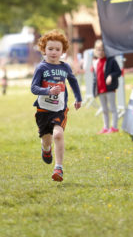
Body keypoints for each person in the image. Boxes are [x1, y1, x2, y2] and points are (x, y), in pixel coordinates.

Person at [31, 29, 82, 182]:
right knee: (46, 140)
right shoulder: (41, 68)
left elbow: (73, 81)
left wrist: (78, 98)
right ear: (44, 50)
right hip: (43, 110)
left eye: (57, 49)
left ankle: (58, 168)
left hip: (59, 109)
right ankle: (46, 150)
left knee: (58, 134)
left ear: (63, 51)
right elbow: (34, 88)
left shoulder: (65, 67)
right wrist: (48, 90)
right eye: (50, 49)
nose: (54, 52)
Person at [92, 39, 122, 134]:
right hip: (100, 90)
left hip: (109, 89)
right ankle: (105, 127)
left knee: (113, 108)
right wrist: (94, 91)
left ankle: (114, 127)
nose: (101, 52)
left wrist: (111, 76)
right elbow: (95, 78)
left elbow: (118, 72)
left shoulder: (111, 61)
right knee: (104, 110)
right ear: (95, 51)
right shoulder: (95, 63)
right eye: (98, 50)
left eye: (103, 50)